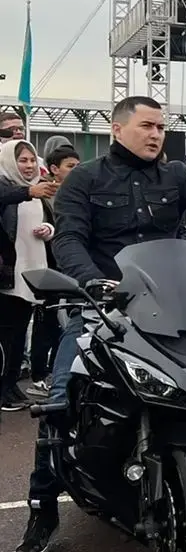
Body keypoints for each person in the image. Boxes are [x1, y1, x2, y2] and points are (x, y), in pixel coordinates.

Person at [14, 97, 186, 552]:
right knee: (60, 396)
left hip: (166, 306)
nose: (156, 134)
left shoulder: (176, 175)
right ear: (117, 128)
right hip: (102, 305)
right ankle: (42, 510)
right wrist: (89, 281)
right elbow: (69, 237)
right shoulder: (85, 180)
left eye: (161, 127)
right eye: (147, 125)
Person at [0, 140, 55, 412]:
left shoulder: (38, 191)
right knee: (6, 334)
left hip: (32, 272)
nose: (29, 165)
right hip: (8, 274)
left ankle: (11, 385)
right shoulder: (7, 187)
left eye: (32, 160)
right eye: (22, 160)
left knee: (20, 332)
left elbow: (50, 221)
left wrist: (47, 228)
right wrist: (28, 192)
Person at [26, 144, 79, 397]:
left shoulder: (81, 192)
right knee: (47, 322)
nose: (76, 171)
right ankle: (41, 376)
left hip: (71, 268)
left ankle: (57, 376)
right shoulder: (41, 194)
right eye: (71, 166)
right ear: (54, 169)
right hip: (47, 267)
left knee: (66, 325)